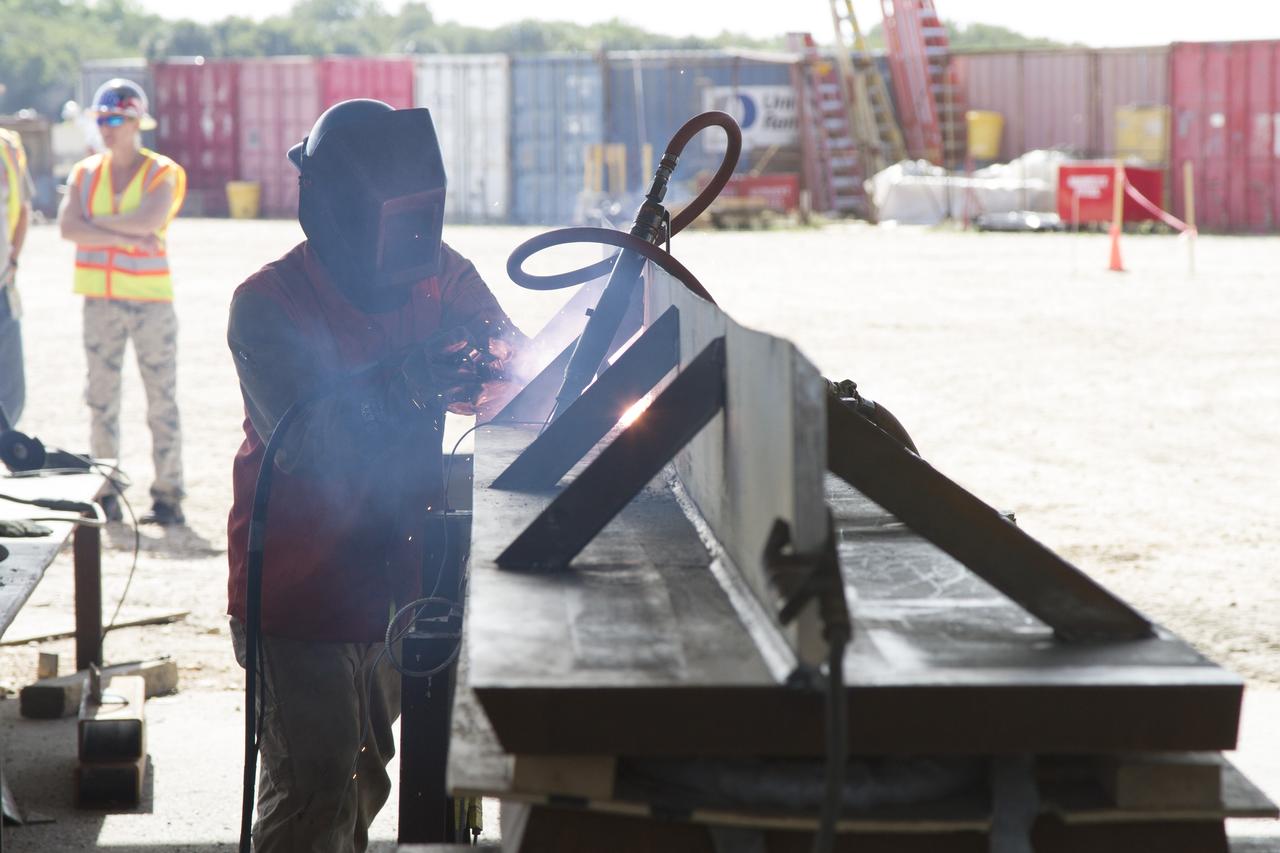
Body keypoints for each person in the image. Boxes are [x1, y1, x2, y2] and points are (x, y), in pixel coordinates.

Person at [225, 99, 523, 851]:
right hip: (296, 590)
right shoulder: (266, 305)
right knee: (313, 791)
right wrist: (415, 379)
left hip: (396, 582)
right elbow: (310, 446)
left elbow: (515, 369)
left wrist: (513, 368)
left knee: (364, 779)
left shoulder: (439, 276)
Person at [57, 79, 187, 525]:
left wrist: (100, 225)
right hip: (100, 303)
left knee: (161, 401)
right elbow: (68, 227)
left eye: (115, 119)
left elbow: (150, 218)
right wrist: (128, 234)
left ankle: (168, 497)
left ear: (136, 122)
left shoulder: (162, 172)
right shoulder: (85, 173)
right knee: (101, 401)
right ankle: (105, 492)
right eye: (101, 119)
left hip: (150, 304)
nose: (106, 128)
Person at [0, 127, 34, 426]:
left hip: (2, 286)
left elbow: (23, 210)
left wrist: (12, 260)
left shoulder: (8, 147)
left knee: (11, 394)